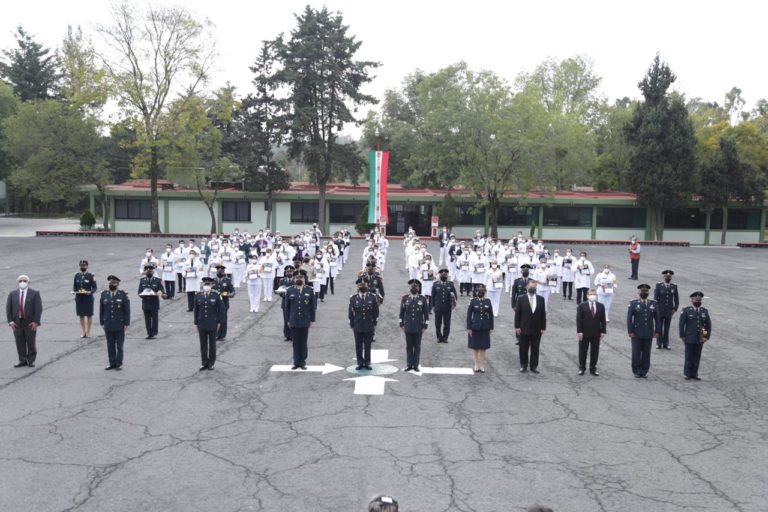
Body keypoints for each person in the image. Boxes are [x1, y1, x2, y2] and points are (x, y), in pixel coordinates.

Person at [6, 274, 43, 368]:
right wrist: (10, 322)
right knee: (19, 342)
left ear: (28, 282)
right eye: (20, 281)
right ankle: (22, 360)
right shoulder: (12, 294)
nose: (22, 282)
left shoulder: (34, 293)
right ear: (17, 283)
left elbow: (38, 309)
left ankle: (31, 360)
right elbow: (8, 309)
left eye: (24, 281)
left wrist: (36, 321)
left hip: (30, 322)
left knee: (31, 341)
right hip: (17, 322)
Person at [626, 283, 661, 378]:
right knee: (636, 352)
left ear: (648, 293)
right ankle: (636, 370)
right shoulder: (634, 303)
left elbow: (657, 318)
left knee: (646, 353)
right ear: (638, 292)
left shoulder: (653, 303)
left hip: (648, 332)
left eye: (646, 292)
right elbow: (629, 318)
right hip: (636, 332)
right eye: (642, 291)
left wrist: (657, 331)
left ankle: (644, 371)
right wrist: (630, 331)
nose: (644, 293)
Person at [285, 270, 317, 369]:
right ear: (294, 279)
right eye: (297, 278)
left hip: (304, 320)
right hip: (294, 320)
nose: (299, 279)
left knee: (303, 342)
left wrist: (312, 320)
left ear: (304, 279)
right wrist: (288, 320)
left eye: (301, 278)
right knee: (295, 342)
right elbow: (287, 307)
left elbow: (313, 306)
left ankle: (302, 361)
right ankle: (296, 361)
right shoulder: (290, 290)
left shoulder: (309, 290)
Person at [514, 280, 546, 373]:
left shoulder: (541, 299)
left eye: (534, 287)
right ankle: (523, 365)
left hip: (537, 328)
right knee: (523, 348)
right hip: (524, 327)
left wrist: (543, 327)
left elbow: (543, 314)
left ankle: (534, 366)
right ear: (527, 287)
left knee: (535, 348)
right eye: (531, 287)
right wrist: (517, 327)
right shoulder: (521, 298)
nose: (532, 289)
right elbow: (517, 314)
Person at [679, 291, 712, 380]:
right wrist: (682, 335)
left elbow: (706, 325)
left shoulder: (704, 311)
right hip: (689, 336)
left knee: (697, 356)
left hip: (699, 338)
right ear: (691, 300)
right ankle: (687, 373)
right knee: (689, 355)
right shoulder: (686, 310)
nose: (697, 301)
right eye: (695, 300)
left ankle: (694, 373)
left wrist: (705, 336)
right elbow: (682, 324)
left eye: (699, 300)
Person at [99, 275, 130, 371]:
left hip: (119, 324)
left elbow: (127, 310)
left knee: (119, 345)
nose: (112, 284)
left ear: (117, 284)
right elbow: (102, 309)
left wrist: (126, 323)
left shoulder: (122, 295)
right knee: (110, 345)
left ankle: (119, 363)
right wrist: (102, 322)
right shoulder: (104, 294)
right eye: (110, 283)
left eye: (114, 283)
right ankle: (112, 362)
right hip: (108, 324)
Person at [349, 277, 380, 370]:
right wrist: (352, 323)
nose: (362, 286)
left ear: (367, 286)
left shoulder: (372, 297)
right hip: (357, 325)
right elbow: (351, 312)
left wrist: (373, 322)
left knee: (367, 345)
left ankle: (367, 362)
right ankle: (360, 362)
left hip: (368, 324)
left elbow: (376, 311)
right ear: (358, 286)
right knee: (358, 345)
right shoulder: (353, 298)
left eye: (364, 285)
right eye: (360, 285)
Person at [193, 277, 224, 371]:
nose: (206, 286)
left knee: (212, 344)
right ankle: (204, 363)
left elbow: (222, 310)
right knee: (203, 344)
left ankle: (211, 363)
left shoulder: (216, 295)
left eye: (208, 284)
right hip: (201, 323)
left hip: (212, 323)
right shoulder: (198, 295)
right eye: (205, 284)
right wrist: (196, 323)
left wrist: (219, 322)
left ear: (211, 285)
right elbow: (196, 310)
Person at [399, 279, 429, 372]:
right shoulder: (405, 298)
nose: (414, 288)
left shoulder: (422, 299)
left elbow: (426, 314)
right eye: (412, 286)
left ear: (419, 288)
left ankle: (415, 365)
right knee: (409, 346)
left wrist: (425, 326)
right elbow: (401, 312)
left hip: (418, 326)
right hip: (408, 326)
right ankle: (409, 364)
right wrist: (401, 323)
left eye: (416, 286)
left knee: (417, 346)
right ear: (409, 287)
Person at [576, 288, 606, 376]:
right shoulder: (582, 305)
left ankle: (593, 368)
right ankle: (582, 368)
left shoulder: (601, 306)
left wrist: (603, 331)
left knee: (595, 351)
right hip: (584, 332)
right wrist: (579, 331)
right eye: (591, 294)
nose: (592, 296)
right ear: (587, 295)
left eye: (594, 294)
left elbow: (603, 320)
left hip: (596, 333)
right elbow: (578, 319)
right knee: (582, 351)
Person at [467, 284, 494, 373]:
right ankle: (476, 365)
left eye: (482, 291)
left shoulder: (488, 301)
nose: (481, 293)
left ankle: (482, 365)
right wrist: (469, 328)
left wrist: (491, 327)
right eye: (479, 291)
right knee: (475, 347)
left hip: (485, 327)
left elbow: (491, 315)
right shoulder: (473, 301)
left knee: (483, 348)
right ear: (476, 292)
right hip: (475, 327)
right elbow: (469, 315)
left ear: (485, 292)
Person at [138, 264, 165, 339]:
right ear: (145, 272)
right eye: (147, 271)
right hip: (145, 302)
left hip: (154, 303)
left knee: (154, 319)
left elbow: (162, 291)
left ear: (153, 272)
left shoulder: (157, 280)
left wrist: (160, 294)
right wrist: (143, 295)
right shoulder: (142, 280)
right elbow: (139, 292)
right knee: (147, 319)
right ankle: (149, 333)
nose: (149, 272)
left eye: (150, 271)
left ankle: (154, 333)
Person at [654, 269, 679, 350]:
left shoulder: (673, 286)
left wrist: (675, 309)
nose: (668, 278)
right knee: (659, 327)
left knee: (667, 328)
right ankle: (659, 343)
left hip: (669, 311)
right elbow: (655, 299)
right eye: (666, 276)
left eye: (669, 276)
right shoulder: (659, 286)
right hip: (660, 310)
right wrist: (656, 309)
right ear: (663, 277)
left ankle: (666, 343)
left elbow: (676, 299)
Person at [431, 268, 457, 343]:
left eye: (445, 274)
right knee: (437, 323)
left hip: (447, 307)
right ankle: (439, 337)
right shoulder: (435, 284)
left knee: (447, 323)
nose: (443, 275)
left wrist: (454, 304)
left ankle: (445, 337)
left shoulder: (450, 284)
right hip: (438, 307)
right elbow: (433, 296)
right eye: (442, 274)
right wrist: (433, 306)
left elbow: (455, 296)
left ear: (447, 275)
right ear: (439, 275)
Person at [73, 260, 97, 338]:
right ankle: (83, 331)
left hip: (88, 298)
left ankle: (88, 331)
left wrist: (90, 292)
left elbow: (94, 287)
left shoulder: (91, 275)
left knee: (89, 315)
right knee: (81, 315)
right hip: (79, 298)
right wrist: (74, 292)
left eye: (84, 266)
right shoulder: (77, 275)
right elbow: (75, 286)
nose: (82, 267)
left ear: (87, 266)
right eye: (81, 266)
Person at [511, 264, 533, 346]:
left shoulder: (531, 281)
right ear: (521, 272)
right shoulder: (517, 281)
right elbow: (513, 294)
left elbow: (534, 294)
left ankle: (529, 338)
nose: (525, 272)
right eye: (524, 271)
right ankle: (519, 338)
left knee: (529, 320)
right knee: (519, 320)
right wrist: (513, 305)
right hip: (519, 304)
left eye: (526, 271)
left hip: (529, 303)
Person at [212, 264, 235, 341]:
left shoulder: (227, 281)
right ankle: (215, 334)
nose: (220, 272)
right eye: (218, 270)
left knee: (223, 318)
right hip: (214, 303)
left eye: (221, 271)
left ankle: (222, 335)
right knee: (214, 318)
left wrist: (230, 294)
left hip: (224, 303)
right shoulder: (213, 281)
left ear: (224, 272)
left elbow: (233, 291)